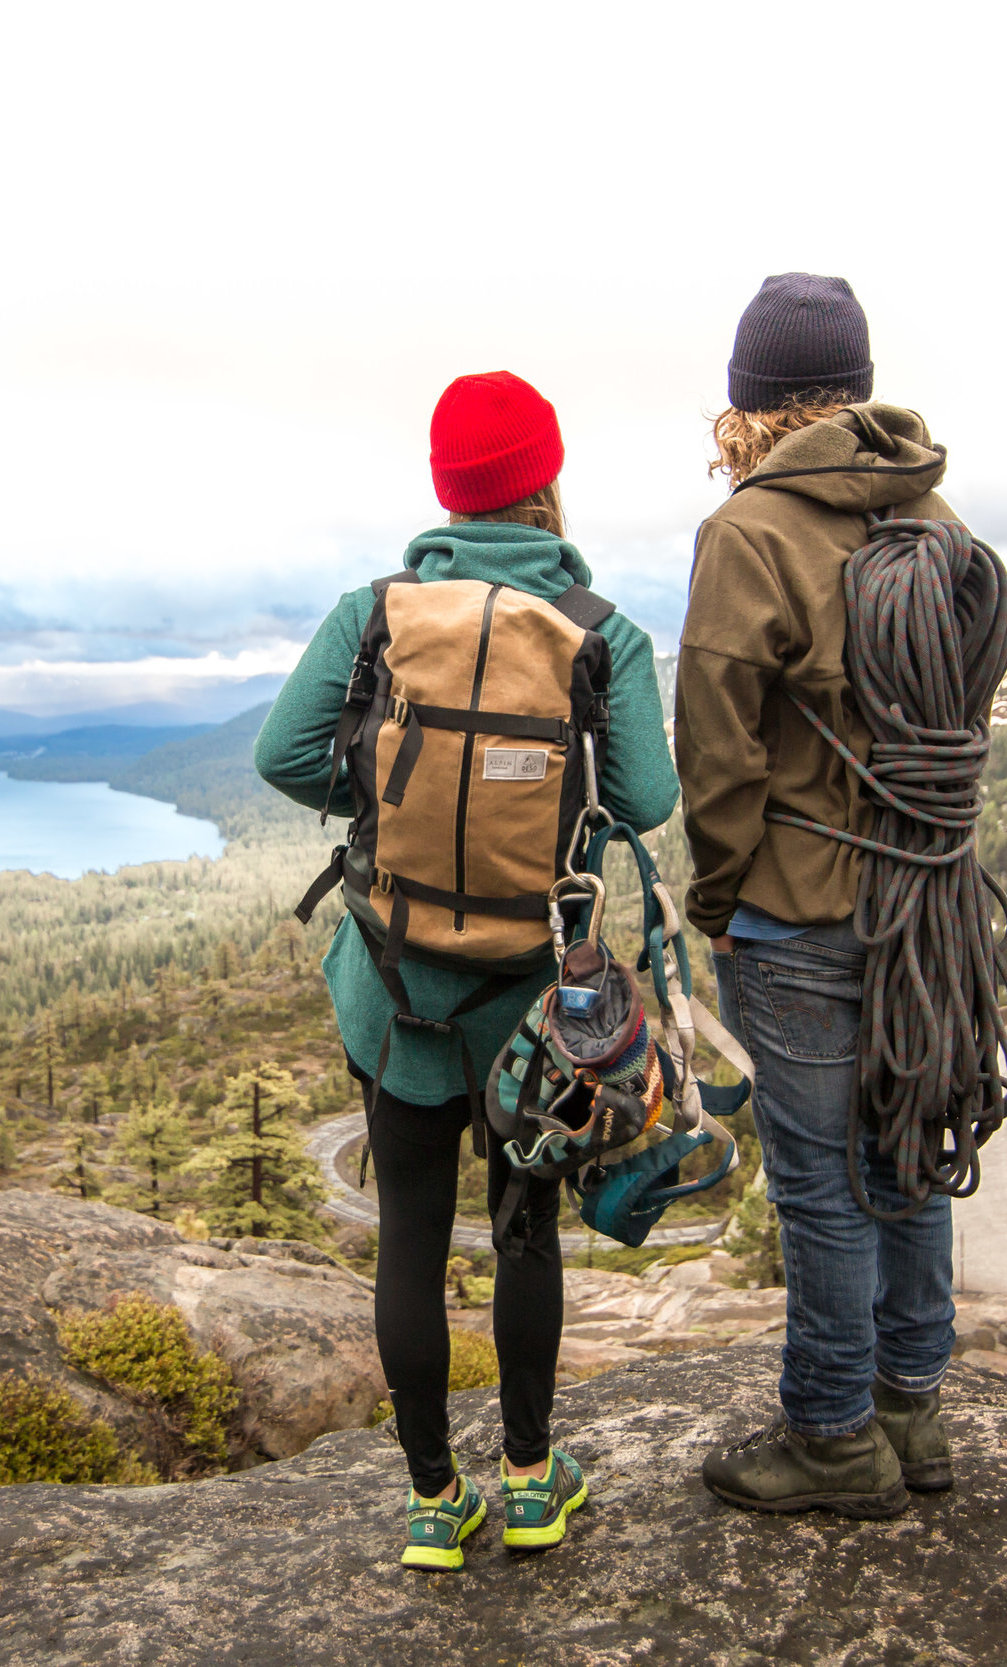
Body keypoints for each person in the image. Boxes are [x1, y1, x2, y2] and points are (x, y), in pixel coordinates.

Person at [255, 371, 677, 1569]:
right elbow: (646, 797)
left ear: (447, 488)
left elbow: (280, 750)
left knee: (409, 1237)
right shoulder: (603, 634)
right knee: (524, 1227)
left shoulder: (377, 611)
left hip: (390, 987)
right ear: (545, 484)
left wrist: (383, 804)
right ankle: (535, 1482)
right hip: (530, 1003)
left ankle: (435, 1502)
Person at [674, 274, 959, 1518]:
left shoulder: (750, 531)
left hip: (795, 910)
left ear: (750, 407)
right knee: (904, 1153)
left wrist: (720, 891)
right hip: (920, 905)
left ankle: (835, 1434)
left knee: (817, 1182)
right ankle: (914, 1412)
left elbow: (718, 743)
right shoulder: (932, 513)